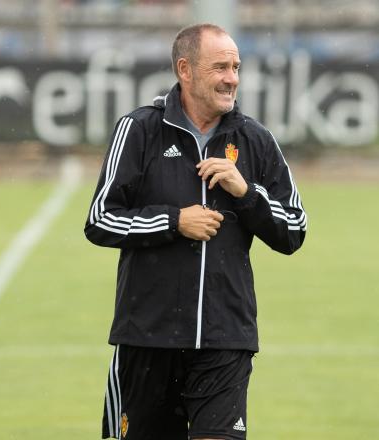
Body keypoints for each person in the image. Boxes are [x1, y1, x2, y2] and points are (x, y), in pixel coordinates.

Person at [84, 23, 307, 440]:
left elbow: (294, 229)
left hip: (226, 339)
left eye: (236, 67)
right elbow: (100, 219)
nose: (232, 78)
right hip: (148, 339)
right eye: (220, 67)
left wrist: (247, 193)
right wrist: (174, 221)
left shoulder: (255, 140)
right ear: (185, 70)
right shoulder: (139, 130)